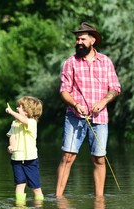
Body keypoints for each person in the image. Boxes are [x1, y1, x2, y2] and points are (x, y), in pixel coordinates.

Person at [55, 22, 121, 197]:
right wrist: (75, 104)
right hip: (75, 116)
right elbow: (64, 91)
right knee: (68, 157)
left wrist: (104, 101)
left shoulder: (106, 62)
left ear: (93, 40)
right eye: (77, 39)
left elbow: (115, 88)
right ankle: (58, 198)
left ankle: (99, 200)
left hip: (100, 118)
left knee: (99, 159)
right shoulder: (70, 63)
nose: (79, 42)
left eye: (83, 38)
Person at [6, 96, 44, 202]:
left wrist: (12, 112)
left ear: (27, 112)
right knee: (20, 184)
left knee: (35, 186)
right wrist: (11, 146)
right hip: (16, 159)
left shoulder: (32, 123)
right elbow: (12, 136)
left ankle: (39, 208)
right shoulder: (14, 123)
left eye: (20, 107)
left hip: (30, 160)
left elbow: (23, 120)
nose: (17, 108)